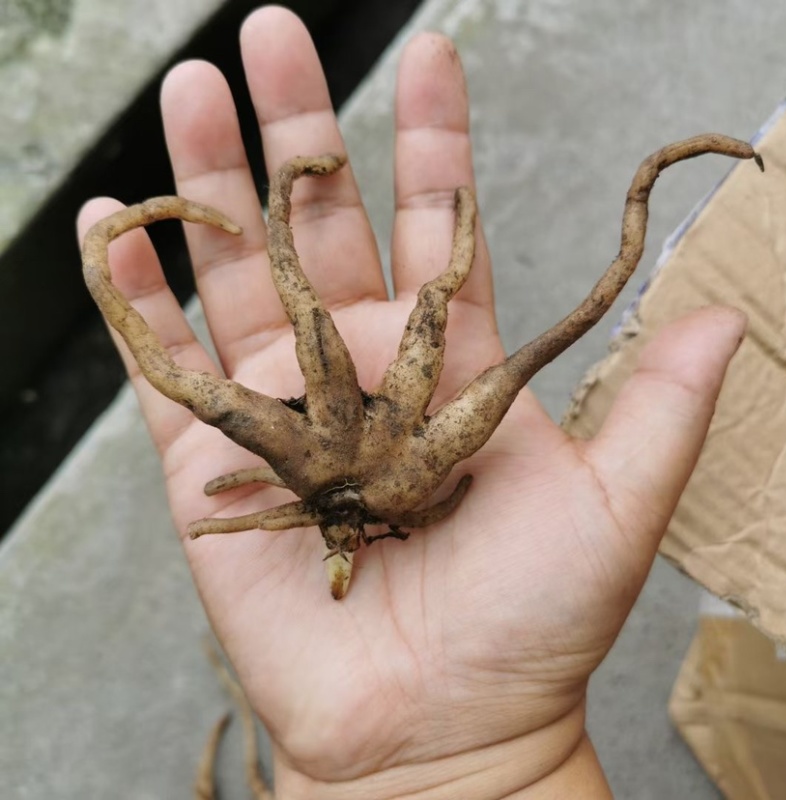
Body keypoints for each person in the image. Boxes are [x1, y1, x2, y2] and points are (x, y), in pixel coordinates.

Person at [78, 6, 746, 797]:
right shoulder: (385, 485)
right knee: (464, 310)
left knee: (465, 313)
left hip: (377, 476)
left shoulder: (385, 482)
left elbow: (238, 344)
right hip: (374, 479)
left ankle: (278, 193)